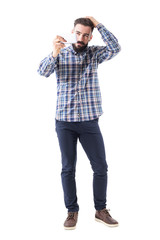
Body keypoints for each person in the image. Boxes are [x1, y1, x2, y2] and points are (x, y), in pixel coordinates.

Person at [37, 16, 121, 230]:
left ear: (90, 36)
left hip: (89, 121)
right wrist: (54, 52)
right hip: (64, 122)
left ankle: (100, 210)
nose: (81, 38)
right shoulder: (61, 53)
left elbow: (115, 47)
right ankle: (71, 211)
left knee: (100, 167)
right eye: (78, 33)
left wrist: (99, 24)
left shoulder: (95, 54)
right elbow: (42, 71)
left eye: (86, 34)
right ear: (73, 32)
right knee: (68, 168)